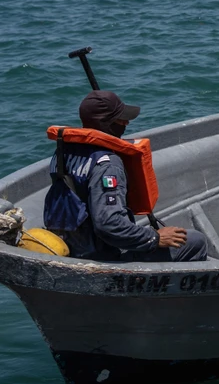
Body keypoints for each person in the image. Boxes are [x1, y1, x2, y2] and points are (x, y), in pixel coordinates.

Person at [44, 91, 208, 262]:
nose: (127, 123)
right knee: (195, 241)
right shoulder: (107, 164)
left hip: (73, 246)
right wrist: (155, 238)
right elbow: (108, 224)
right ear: (107, 123)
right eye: (121, 120)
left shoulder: (63, 153)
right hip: (104, 256)